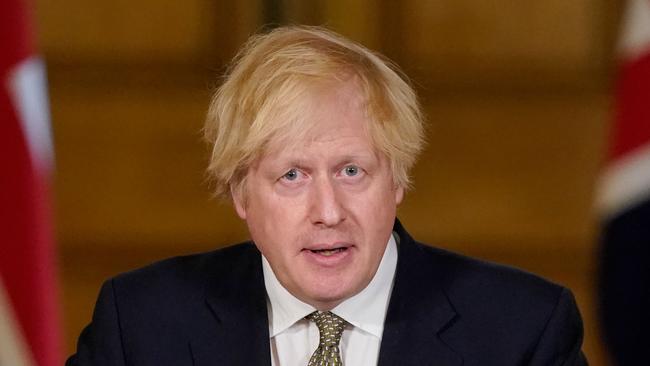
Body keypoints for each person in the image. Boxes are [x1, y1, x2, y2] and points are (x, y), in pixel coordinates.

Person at [67, 25, 587, 365]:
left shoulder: (523, 332)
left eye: (352, 171)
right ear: (241, 194)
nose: (329, 212)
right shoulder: (139, 326)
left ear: (398, 180)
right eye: (292, 176)